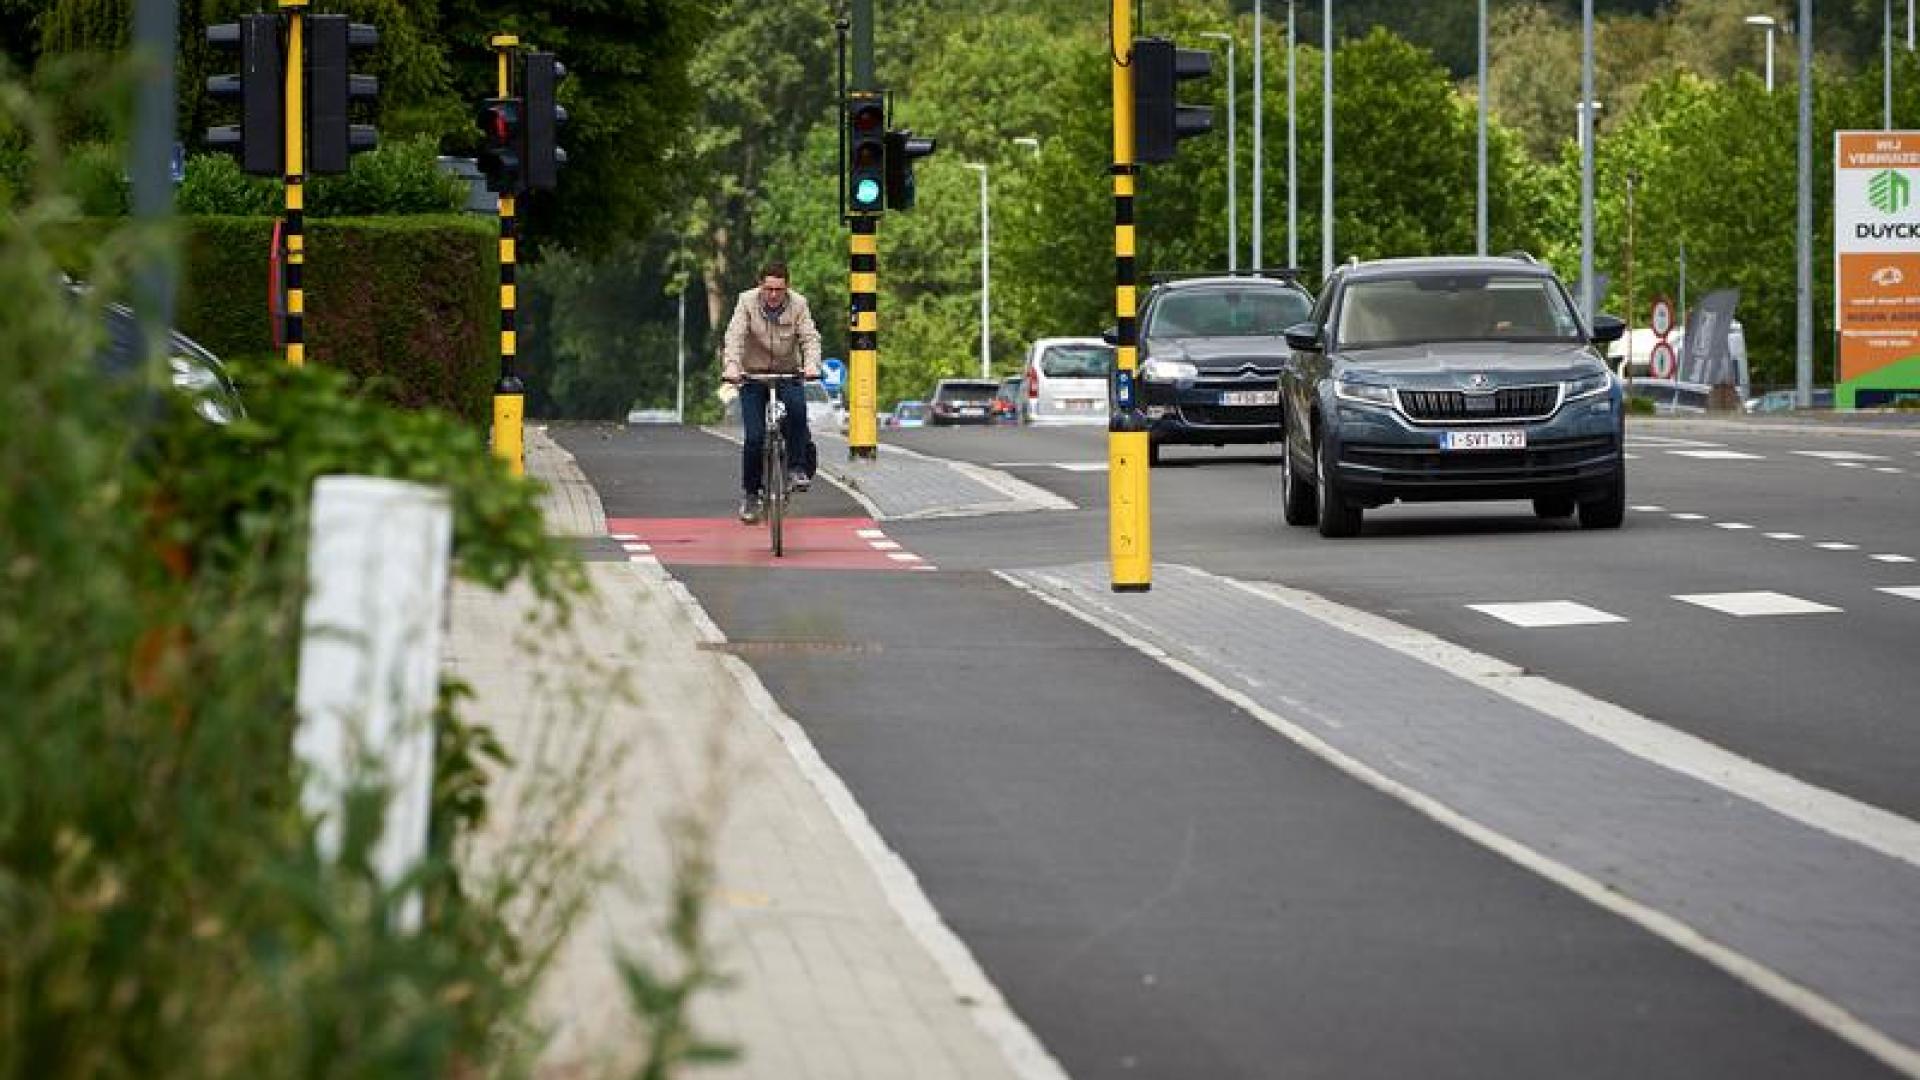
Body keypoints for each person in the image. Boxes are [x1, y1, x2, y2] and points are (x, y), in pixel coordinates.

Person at [722, 261, 822, 524]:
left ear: (787, 287)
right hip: (753, 376)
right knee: (754, 438)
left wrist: (811, 365)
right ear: (760, 286)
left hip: (787, 374)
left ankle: (797, 469)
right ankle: (752, 494)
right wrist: (732, 366)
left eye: (779, 289)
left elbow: (809, 338)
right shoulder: (746, 303)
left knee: (798, 411)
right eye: (769, 289)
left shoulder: (799, 304)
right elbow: (735, 337)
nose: (774, 295)